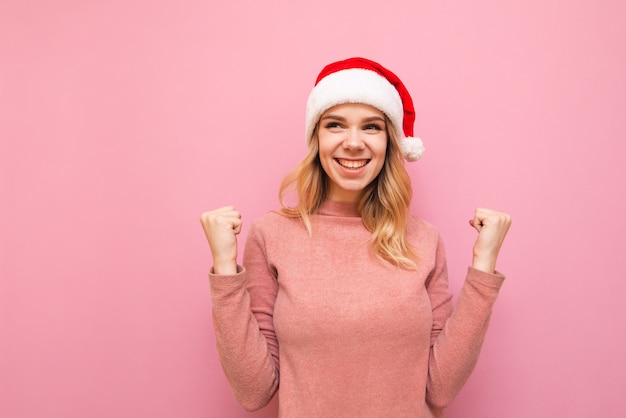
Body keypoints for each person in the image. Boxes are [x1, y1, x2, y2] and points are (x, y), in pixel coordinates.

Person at [200, 57, 512, 418]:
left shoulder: (424, 240)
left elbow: (439, 389)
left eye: (371, 127)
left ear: (390, 141)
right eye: (335, 124)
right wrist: (225, 270)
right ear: (316, 137)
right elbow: (254, 392)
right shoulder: (272, 236)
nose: (353, 142)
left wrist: (483, 268)